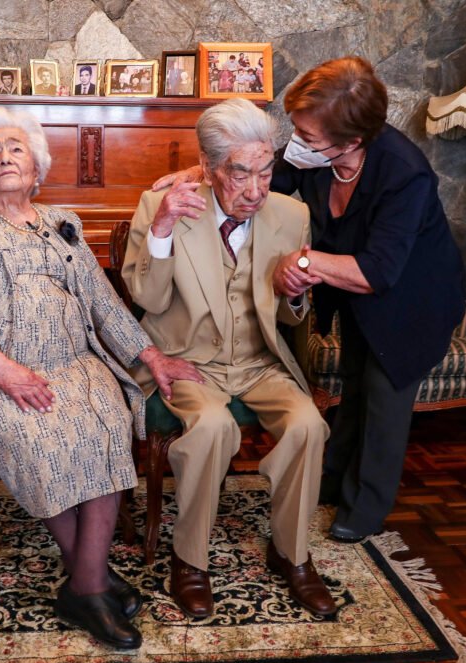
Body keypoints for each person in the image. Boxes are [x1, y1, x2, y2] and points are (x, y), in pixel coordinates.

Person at [152, 56, 466, 544]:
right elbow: (259, 178)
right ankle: (331, 482)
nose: (295, 142)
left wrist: (301, 263)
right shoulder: (317, 153)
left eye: (306, 135)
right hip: (356, 294)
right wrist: (204, 171)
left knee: (384, 399)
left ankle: (365, 509)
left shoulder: (405, 175)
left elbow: (378, 271)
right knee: (355, 385)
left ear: (350, 142)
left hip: (412, 300)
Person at [0, 107, 200, 649]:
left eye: (16, 149)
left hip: (74, 363)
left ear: (36, 169)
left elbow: (101, 300)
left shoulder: (61, 220)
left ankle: (85, 581)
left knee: (105, 425)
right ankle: (91, 582)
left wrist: (153, 357)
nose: (4, 157)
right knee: (43, 436)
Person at [122, 98, 336, 620]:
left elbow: (290, 317)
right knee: (213, 427)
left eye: (266, 172)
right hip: (186, 360)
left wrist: (292, 294)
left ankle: (292, 554)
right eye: (242, 175)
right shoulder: (163, 205)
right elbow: (147, 298)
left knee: (309, 425)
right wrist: (164, 229)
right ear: (210, 167)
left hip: (260, 363)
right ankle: (189, 560)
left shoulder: (292, 215)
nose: (256, 190)